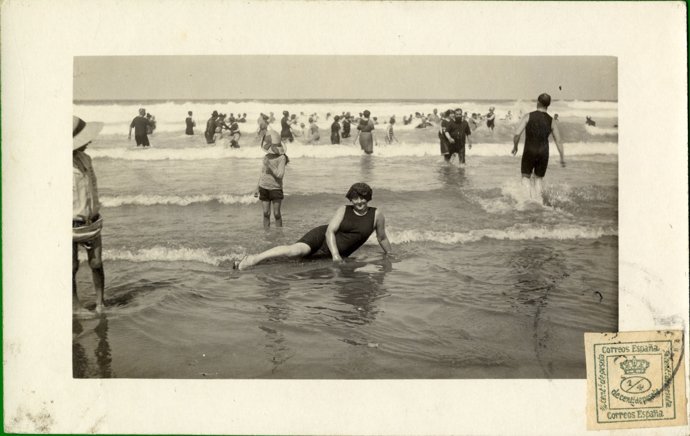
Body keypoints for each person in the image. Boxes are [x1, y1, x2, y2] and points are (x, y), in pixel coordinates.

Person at [235, 183, 392, 270]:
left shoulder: (376, 215)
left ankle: (259, 262)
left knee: (295, 266)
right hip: (321, 238)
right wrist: (336, 256)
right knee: (295, 251)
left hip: (332, 252)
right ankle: (252, 259)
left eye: (362, 198)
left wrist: (391, 255)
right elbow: (330, 231)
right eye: (355, 199)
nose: (358, 202)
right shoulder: (344, 209)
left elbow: (382, 237)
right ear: (351, 199)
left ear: (368, 198)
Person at [73, 116, 106, 313]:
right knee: (71, 267)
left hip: (91, 221)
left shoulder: (87, 159)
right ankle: (75, 305)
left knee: (97, 263)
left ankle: (101, 303)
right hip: (70, 223)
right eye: (85, 139)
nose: (89, 142)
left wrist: (95, 211)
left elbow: (93, 189)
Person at [512, 93, 565, 201]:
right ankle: (539, 203)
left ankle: (527, 201)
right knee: (539, 179)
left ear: (538, 102)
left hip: (529, 151)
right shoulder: (551, 121)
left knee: (526, 177)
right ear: (548, 105)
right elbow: (558, 140)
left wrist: (515, 146)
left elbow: (517, 134)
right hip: (543, 152)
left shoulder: (528, 116)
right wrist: (562, 157)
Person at [254, 128, 288, 228]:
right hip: (263, 187)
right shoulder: (266, 156)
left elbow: (280, 175)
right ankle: (266, 234)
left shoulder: (282, 158)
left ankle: (279, 234)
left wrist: (269, 165)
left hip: (275, 188)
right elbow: (262, 173)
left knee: (277, 214)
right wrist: (257, 188)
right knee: (265, 213)